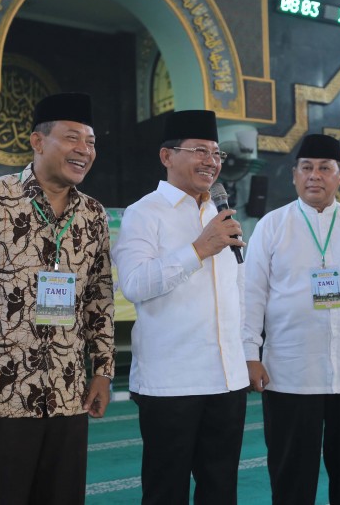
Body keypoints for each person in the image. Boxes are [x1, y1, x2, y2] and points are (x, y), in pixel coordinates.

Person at [0, 93, 115, 505]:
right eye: (72, 138)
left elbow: (99, 297)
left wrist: (103, 370)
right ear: (38, 142)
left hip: (68, 392)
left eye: (91, 142)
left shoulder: (93, 215)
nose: (84, 150)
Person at [243, 133, 340, 505]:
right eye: (307, 168)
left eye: (325, 168)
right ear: (294, 176)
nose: (315, 175)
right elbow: (250, 296)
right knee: (292, 478)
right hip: (291, 374)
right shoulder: (272, 225)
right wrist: (249, 353)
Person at [112, 110, 249, 505]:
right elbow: (134, 285)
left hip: (227, 381)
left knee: (221, 490)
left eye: (217, 153)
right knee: (166, 492)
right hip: (172, 384)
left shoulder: (220, 213)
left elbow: (237, 291)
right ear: (167, 156)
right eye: (200, 151)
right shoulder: (144, 212)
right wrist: (198, 249)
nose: (212, 161)